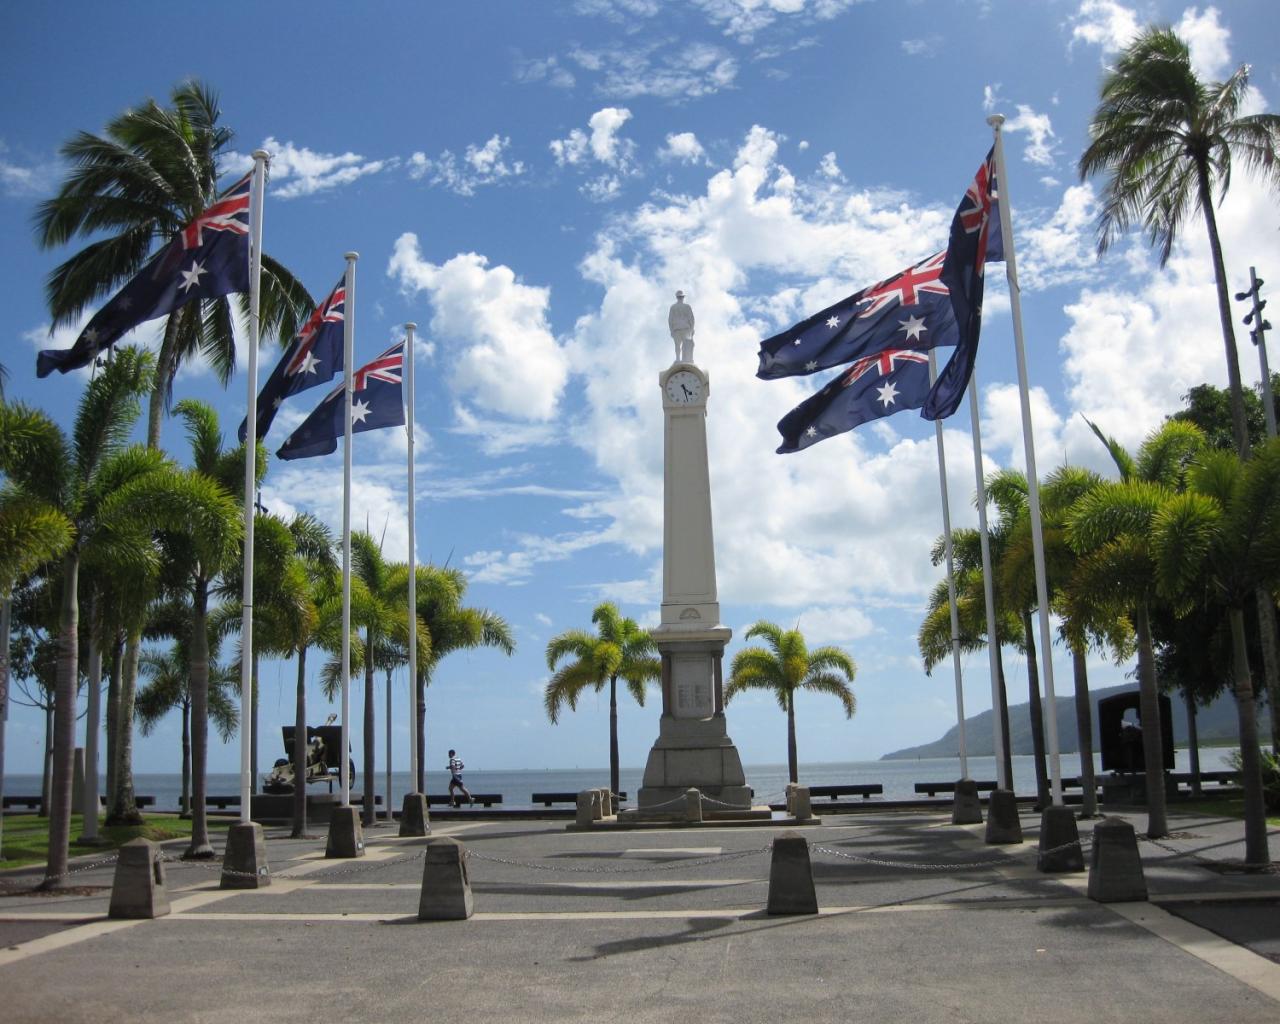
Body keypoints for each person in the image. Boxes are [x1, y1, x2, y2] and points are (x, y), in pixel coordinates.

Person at [668, 290, 695, 362]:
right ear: (682, 297)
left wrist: (671, 330)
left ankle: (678, 359)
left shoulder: (673, 307)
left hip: (677, 329)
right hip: (685, 328)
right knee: (684, 345)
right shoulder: (686, 307)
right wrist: (692, 329)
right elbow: (691, 319)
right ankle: (682, 359)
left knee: (678, 346)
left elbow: (670, 320)